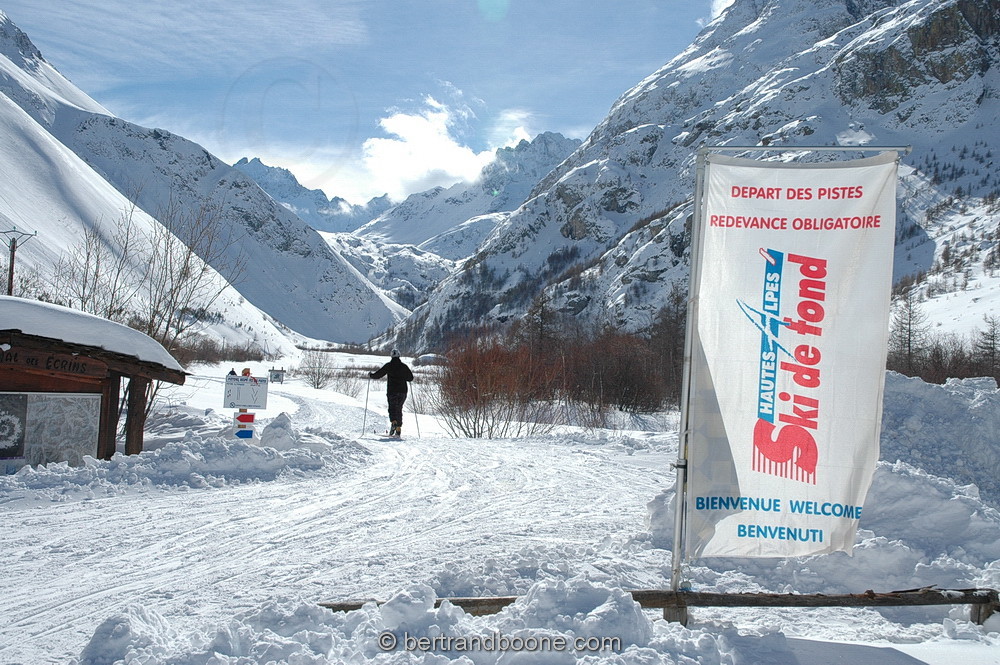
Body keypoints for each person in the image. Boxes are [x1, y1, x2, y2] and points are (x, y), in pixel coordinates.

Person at [368, 349, 413, 437]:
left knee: (392, 408)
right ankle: (398, 428)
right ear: (399, 356)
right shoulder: (404, 366)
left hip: (392, 391)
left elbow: (378, 375)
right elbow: (410, 378)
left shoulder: (388, 366)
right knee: (399, 409)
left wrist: (371, 375)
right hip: (403, 391)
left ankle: (394, 423)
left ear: (391, 356)